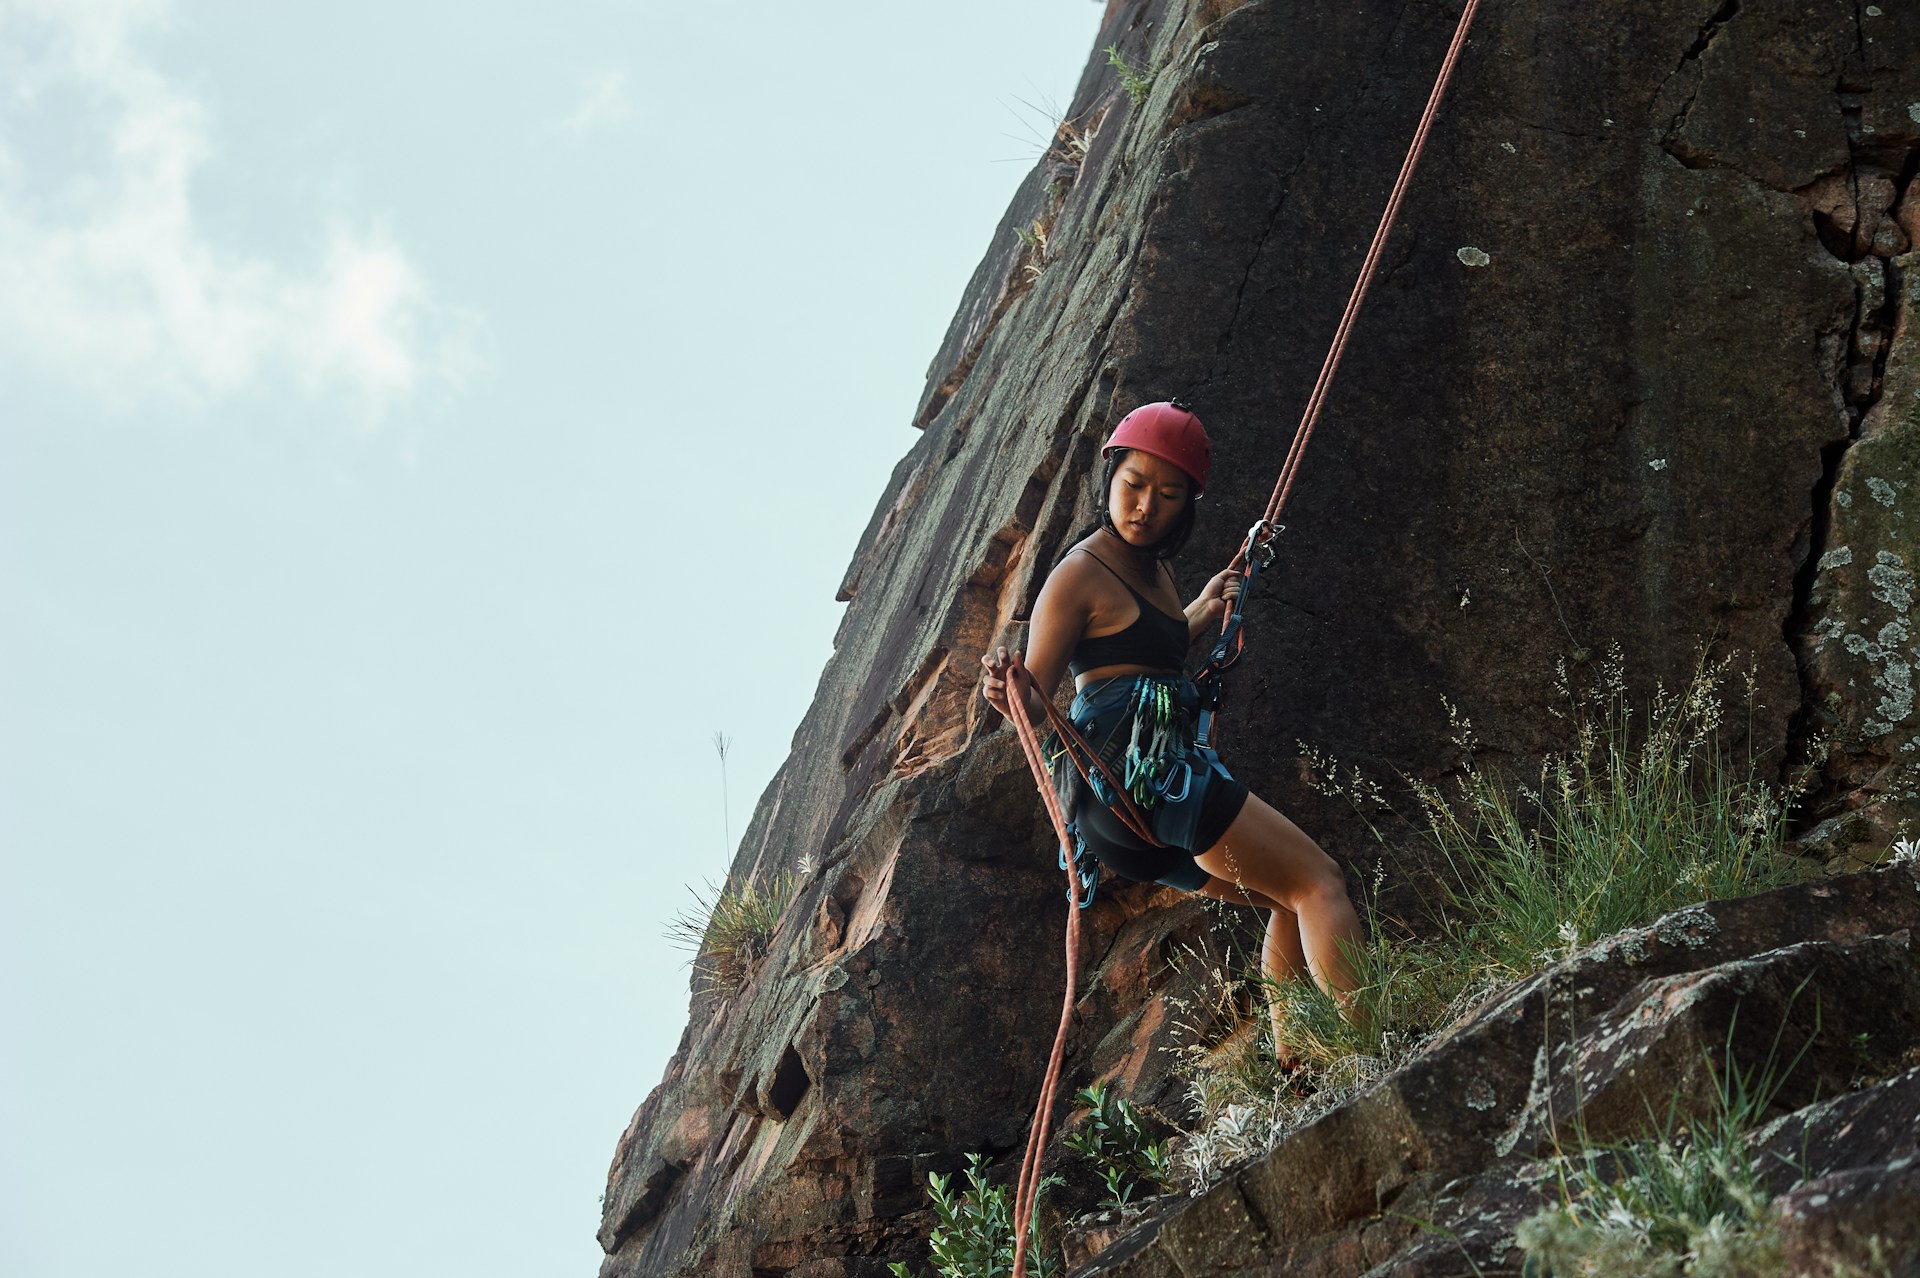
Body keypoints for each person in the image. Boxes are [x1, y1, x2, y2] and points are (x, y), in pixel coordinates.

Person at [980, 401, 1365, 1054]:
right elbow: (1038, 706)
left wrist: (1205, 606)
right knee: (1319, 883)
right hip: (1146, 775)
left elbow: (1147, 650)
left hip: (1131, 803)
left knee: (1283, 899)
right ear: (1110, 478)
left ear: (1187, 505)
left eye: (1167, 495)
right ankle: (1369, 1058)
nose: (1144, 507)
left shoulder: (1153, 569)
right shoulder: (1077, 574)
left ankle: (1302, 1071)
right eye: (1133, 485)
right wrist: (1008, 690)